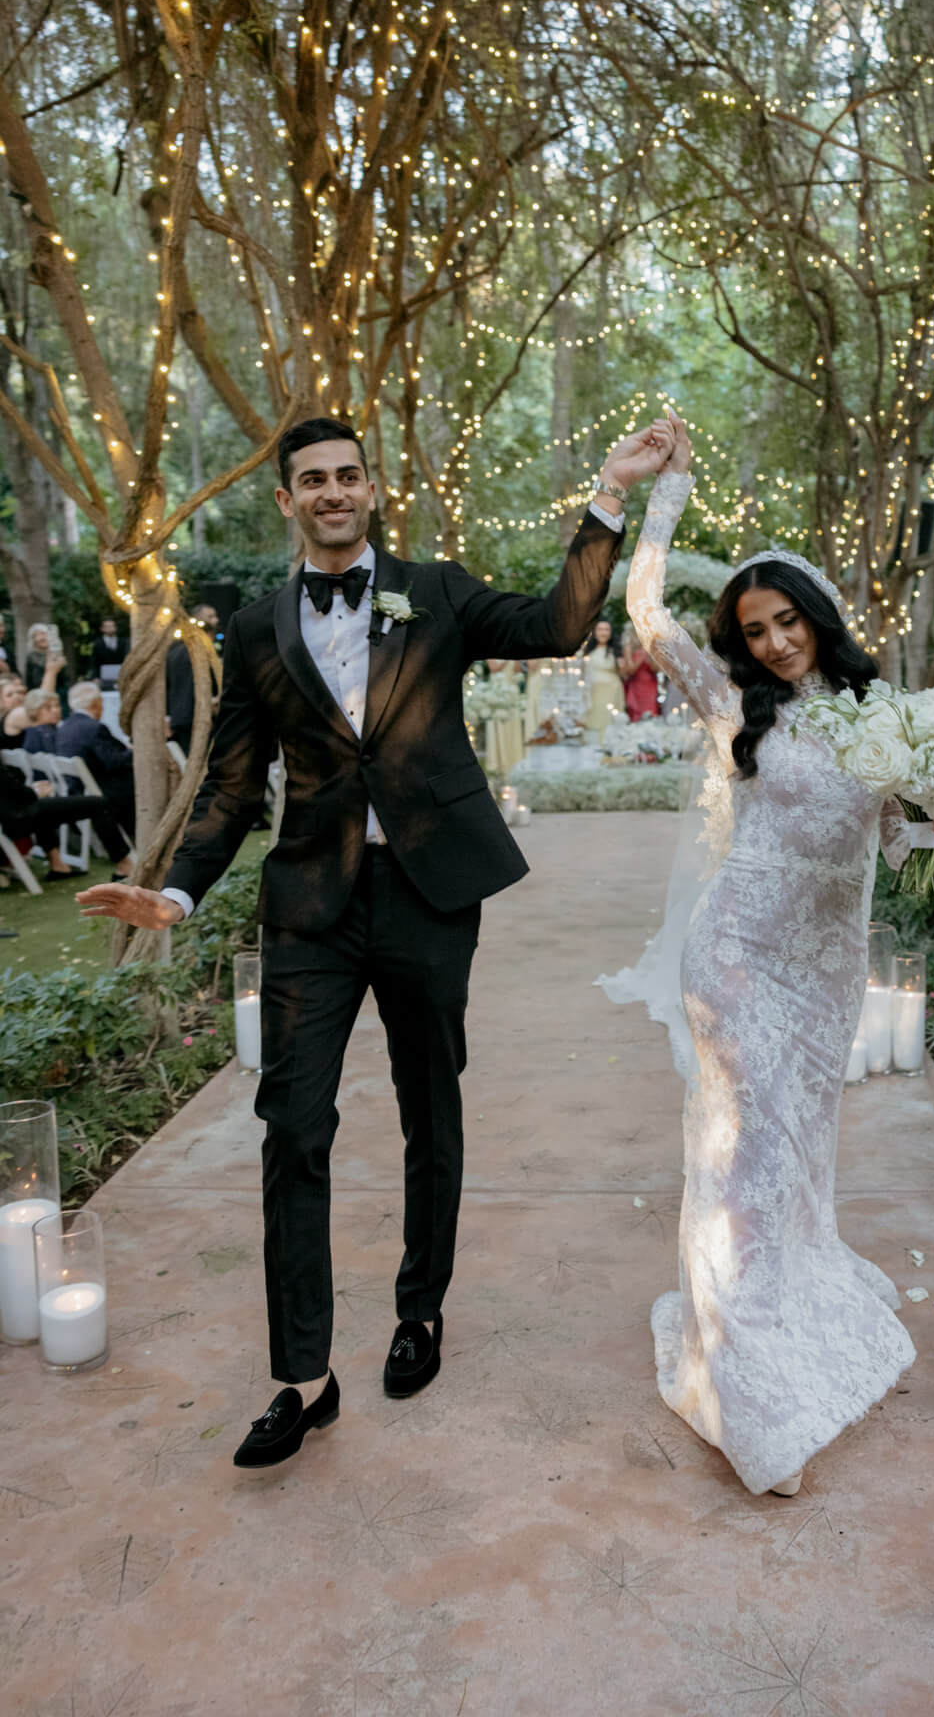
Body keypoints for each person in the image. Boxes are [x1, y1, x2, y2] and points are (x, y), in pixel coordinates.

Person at [77, 411, 664, 1471]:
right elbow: (231, 785)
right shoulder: (255, 628)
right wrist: (179, 893)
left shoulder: (436, 591)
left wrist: (609, 494)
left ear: (372, 489)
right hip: (312, 905)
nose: (334, 492)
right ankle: (303, 1378)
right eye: (314, 480)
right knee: (291, 1126)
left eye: (348, 475)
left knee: (430, 1107)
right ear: (288, 500)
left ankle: (419, 1309)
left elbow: (558, 624)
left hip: (430, 892)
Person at [622, 411, 934, 1498]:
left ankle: (788, 1302)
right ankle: (746, 1382)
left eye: (785, 622)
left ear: (817, 617)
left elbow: (888, 837)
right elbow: (643, 611)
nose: (773, 643)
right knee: (739, 1163)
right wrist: (664, 491)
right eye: (754, 629)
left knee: (799, 1154)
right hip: (737, 958)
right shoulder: (735, 702)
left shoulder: (876, 714)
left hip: (825, 973)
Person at [0, 759, 133, 881]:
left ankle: (58, 865)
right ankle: (124, 866)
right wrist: (35, 792)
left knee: (44, 808)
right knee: (99, 804)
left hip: (14, 814)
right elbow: (13, 790)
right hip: (16, 816)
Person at [56, 680, 136, 842]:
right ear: (96, 704)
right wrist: (136, 750)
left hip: (77, 787)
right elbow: (115, 761)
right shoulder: (94, 728)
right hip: (103, 790)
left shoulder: (65, 726)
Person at [165, 606, 220, 756]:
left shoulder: (175, 650)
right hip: (198, 716)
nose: (216, 620)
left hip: (179, 716)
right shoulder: (200, 651)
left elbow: (167, 685)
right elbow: (199, 685)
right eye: (210, 616)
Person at [582, 618, 624, 735]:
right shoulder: (587, 651)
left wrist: (622, 665)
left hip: (611, 691)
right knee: (592, 722)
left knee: (609, 723)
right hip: (592, 692)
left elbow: (624, 674)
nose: (603, 633)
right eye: (600, 629)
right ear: (594, 632)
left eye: (606, 629)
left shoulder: (615, 651)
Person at [619, 627, 661, 721]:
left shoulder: (653, 646)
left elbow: (656, 669)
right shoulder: (629, 646)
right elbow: (631, 670)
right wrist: (642, 657)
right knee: (635, 715)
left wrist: (650, 655)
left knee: (650, 714)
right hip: (635, 686)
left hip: (650, 687)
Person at [90, 616, 129, 689]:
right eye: (107, 626)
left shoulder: (123, 642)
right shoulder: (97, 644)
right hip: (102, 679)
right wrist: (95, 677)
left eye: (112, 626)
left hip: (121, 677)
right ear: (102, 629)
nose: (110, 628)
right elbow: (94, 662)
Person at [21, 686, 61, 755]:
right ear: (34, 711)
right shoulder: (38, 734)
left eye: (57, 705)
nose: (56, 710)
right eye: (48, 708)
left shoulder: (54, 728)